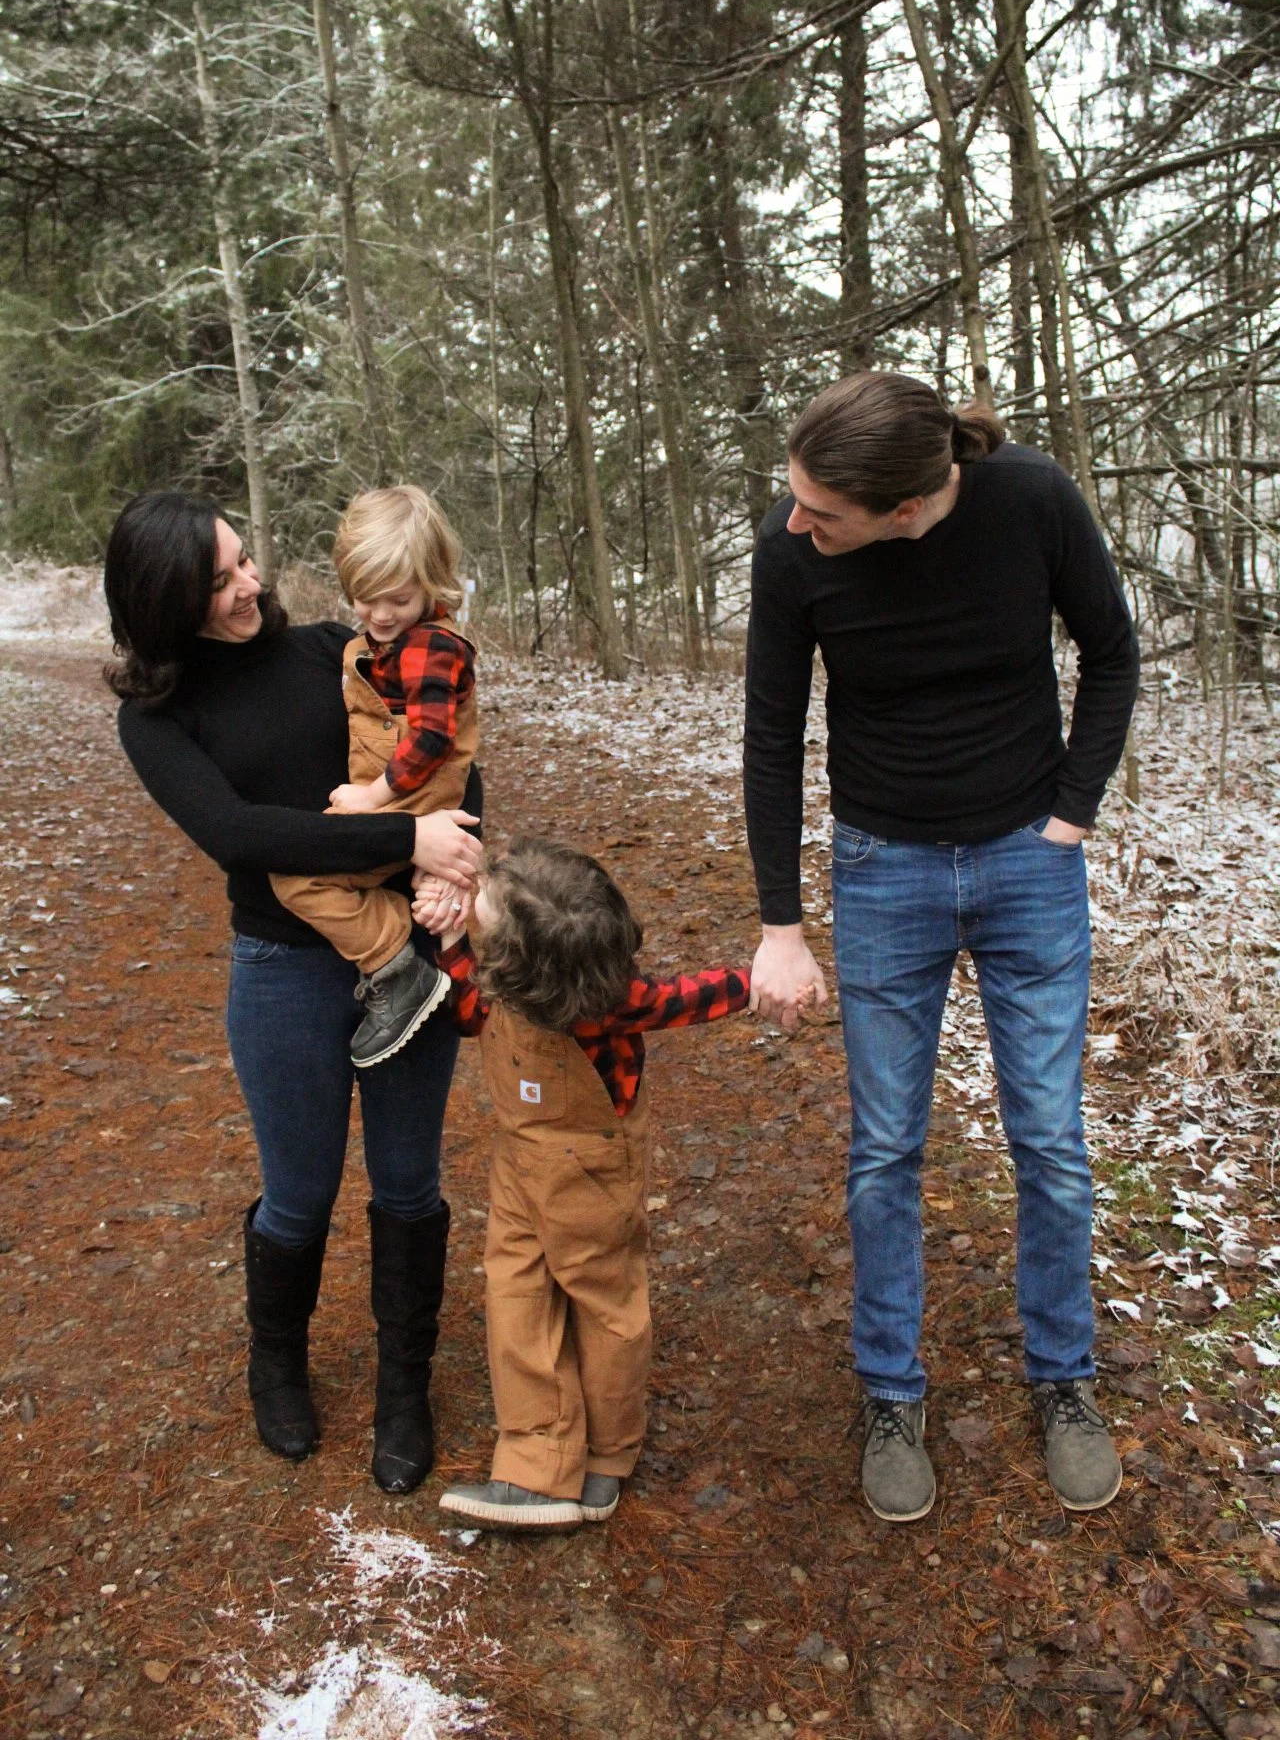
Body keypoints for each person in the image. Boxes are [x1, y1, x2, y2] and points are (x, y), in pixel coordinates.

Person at [743, 372, 1140, 1524]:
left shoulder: (1030, 502)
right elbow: (771, 733)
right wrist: (780, 922)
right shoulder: (793, 548)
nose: (797, 524)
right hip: (883, 872)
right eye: (795, 501)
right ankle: (887, 1392)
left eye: (822, 512)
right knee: (883, 1152)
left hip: (1028, 861)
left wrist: (1071, 812)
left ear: (906, 505)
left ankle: (1063, 1382)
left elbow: (1109, 654)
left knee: (1051, 1144)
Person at [105, 491, 482, 1495]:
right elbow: (244, 836)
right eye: (219, 581)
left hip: (413, 944)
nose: (249, 587)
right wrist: (404, 840)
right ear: (164, 603)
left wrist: (450, 870)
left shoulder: (333, 649)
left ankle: (405, 1384)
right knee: (299, 1192)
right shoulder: (157, 719)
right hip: (281, 972)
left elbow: (445, 760)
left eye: (244, 561)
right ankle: (277, 1357)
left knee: (408, 1183)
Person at [417, 838, 750, 1531]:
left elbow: (697, 997)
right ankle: (539, 1463)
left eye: (485, 903)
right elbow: (468, 1013)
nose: (476, 889)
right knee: (515, 1293)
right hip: (520, 1164)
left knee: (605, 1302)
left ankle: (608, 1453)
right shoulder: (514, 976)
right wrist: (452, 938)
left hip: (594, 1171)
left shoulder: (614, 1003)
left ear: (509, 957)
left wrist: (762, 981)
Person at [270, 485, 477, 1070]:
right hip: (400, 804)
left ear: (431, 582)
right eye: (364, 599)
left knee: (296, 876)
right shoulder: (391, 642)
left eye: (397, 599)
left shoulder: (432, 648)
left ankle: (396, 963)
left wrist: (371, 797)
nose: (380, 615)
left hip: (405, 801)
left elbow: (431, 741)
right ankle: (422, 912)